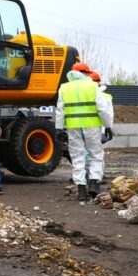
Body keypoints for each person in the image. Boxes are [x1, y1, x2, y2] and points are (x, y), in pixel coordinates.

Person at [55, 63, 113, 202]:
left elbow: (60, 110)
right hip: (92, 126)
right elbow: (102, 109)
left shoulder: (64, 88)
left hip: (73, 127)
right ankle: (93, 183)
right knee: (95, 155)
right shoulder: (92, 86)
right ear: (84, 73)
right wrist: (108, 126)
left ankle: (81, 189)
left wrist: (58, 128)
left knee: (77, 157)